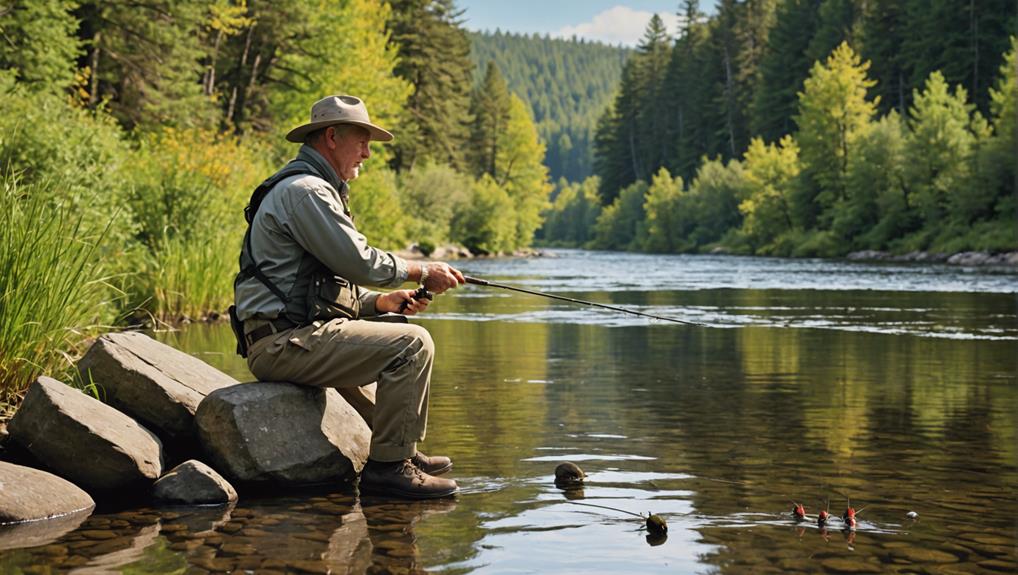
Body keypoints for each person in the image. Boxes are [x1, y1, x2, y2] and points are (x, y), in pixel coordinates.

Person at [232, 94, 464, 499]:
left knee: (395, 325)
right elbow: (359, 262)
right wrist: (423, 270)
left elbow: (318, 286)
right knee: (413, 344)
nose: (368, 154)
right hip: (280, 343)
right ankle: (390, 468)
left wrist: (380, 303)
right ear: (332, 136)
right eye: (363, 141)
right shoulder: (307, 192)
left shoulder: (312, 189)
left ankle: (401, 449)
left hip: (291, 334)